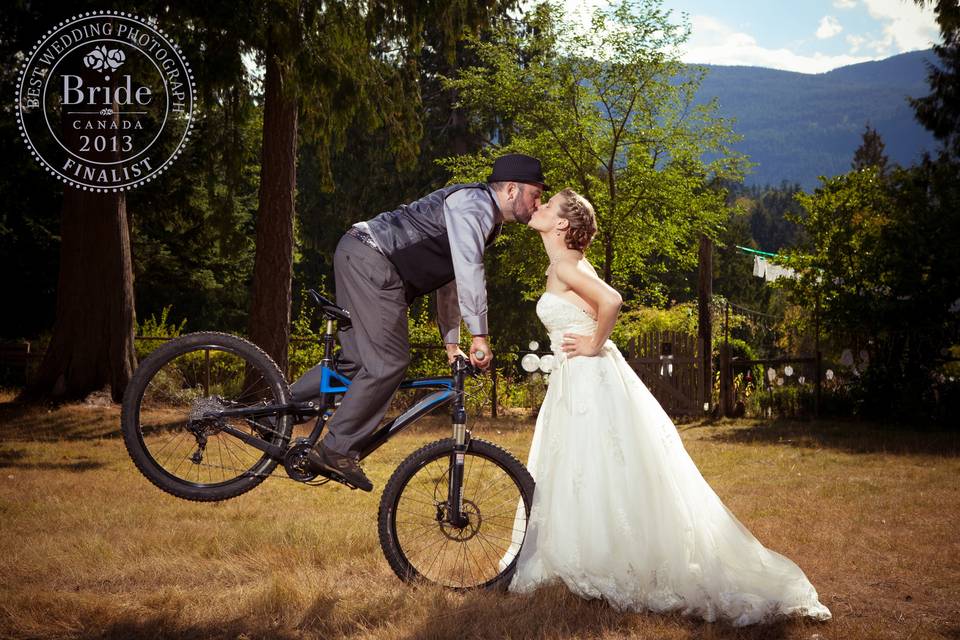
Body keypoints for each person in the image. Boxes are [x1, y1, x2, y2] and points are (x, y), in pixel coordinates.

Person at [505, 188, 832, 626]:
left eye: (548, 205)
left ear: (562, 224)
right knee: (588, 467)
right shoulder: (564, 264)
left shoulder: (566, 264)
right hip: (579, 378)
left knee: (595, 463)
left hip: (589, 377)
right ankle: (587, 550)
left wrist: (592, 343)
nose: (539, 208)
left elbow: (611, 301)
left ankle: (603, 559)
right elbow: (592, 305)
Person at [290, 154, 547, 492]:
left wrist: (451, 344)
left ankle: (272, 409)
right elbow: (469, 272)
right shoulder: (475, 205)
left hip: (361, 253)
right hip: (374, 261)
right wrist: (480, 335)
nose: (538, 202)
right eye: (536, 194)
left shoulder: (486, 219)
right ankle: (336, 449)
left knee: (359, 364)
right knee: (388, 362)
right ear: (512, 189)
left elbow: (450, 282)